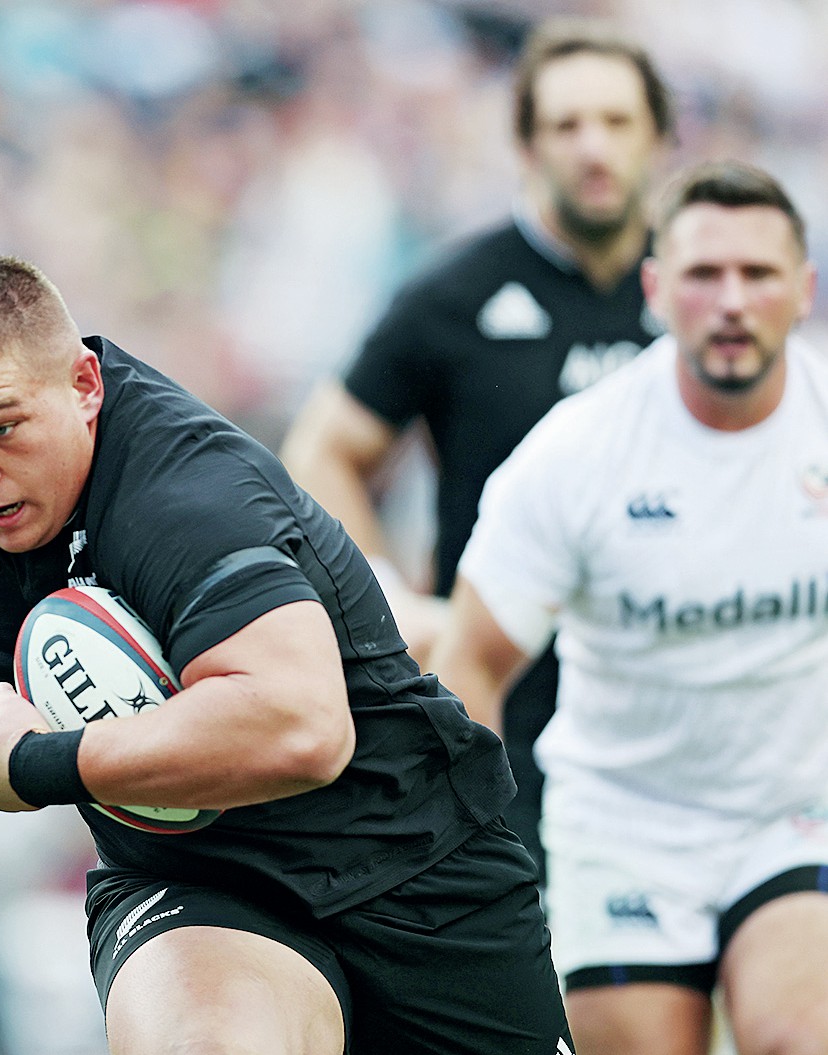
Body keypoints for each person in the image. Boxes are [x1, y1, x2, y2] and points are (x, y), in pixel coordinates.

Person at [0, 253, 574, 1055]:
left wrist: (34, 764)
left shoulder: (186, 497)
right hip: (195, 880)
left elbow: (305, 729)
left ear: (84, 384)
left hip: (413, 861)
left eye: (3, 428)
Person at [428, 160, 828, 1055]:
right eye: (704, 274)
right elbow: (472, 663)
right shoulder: (578, 452)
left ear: (804, 289)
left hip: (794, 810)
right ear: (655, 289)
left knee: (799, 1035)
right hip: (623, 825)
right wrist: (485, 858)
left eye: (759, 273)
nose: (732, 301)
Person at [278, 17, 673, 880]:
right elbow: (321, 449)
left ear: (659, 138)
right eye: (567, 125)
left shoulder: (704, 293)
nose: (594, 147)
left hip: (669, 694)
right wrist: (391, 605)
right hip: (504, 701)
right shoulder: (456, 293)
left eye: (616, 121)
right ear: (526, 146)